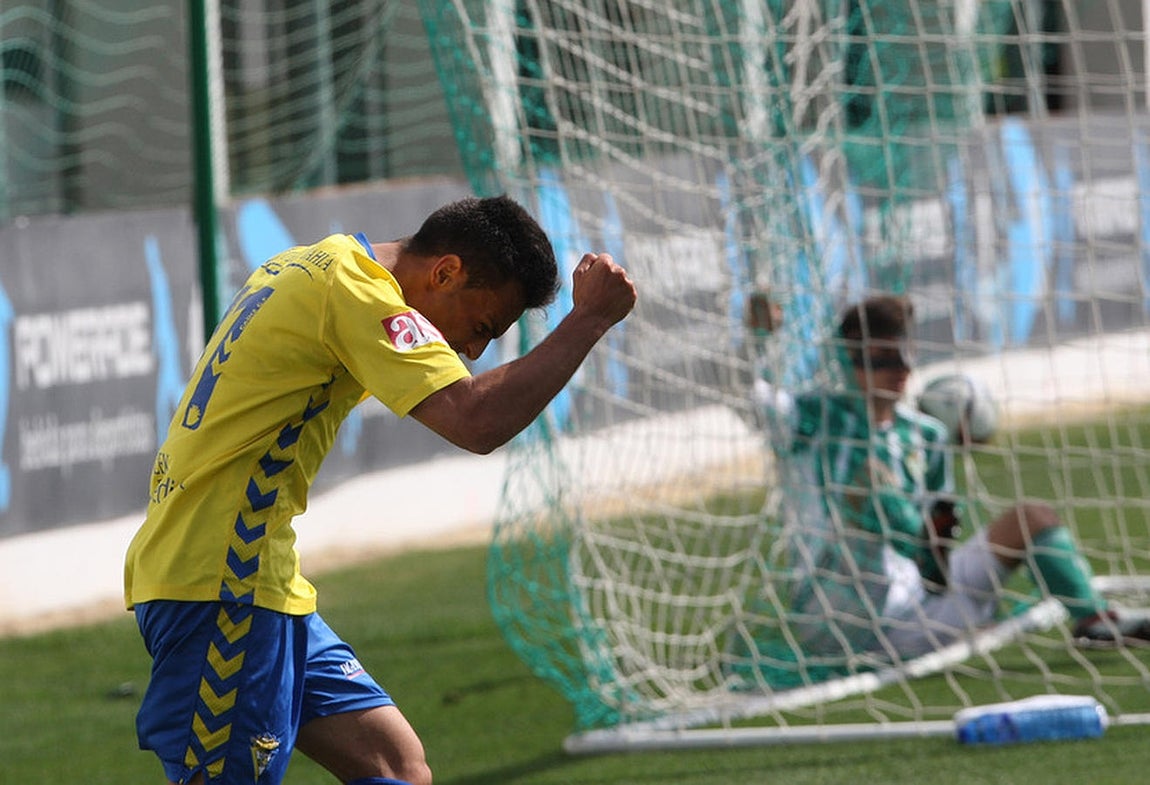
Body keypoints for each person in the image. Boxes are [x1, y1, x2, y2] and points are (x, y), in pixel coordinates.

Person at [123, 195, 636, 785]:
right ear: (445, 272)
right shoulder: (357, 292)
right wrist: (589, 320)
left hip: (257, 579)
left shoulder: (316, 262)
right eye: (481, 328)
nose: (473, 351)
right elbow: (476, 420)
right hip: (219, 586)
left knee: (397, 767)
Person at [747, 293, 1150, 668]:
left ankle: (1096, 622)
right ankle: (954, 611)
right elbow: (752, 398)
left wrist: (934, 556)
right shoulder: (812, 418)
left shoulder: (924, 434)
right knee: (869, 479)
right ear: (848, 363)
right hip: (840, 616)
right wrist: (758, 340)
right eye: (882, 359)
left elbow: (941, 530)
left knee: (1032, 519)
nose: (901, 370)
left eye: (905, 355)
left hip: (919, 598)